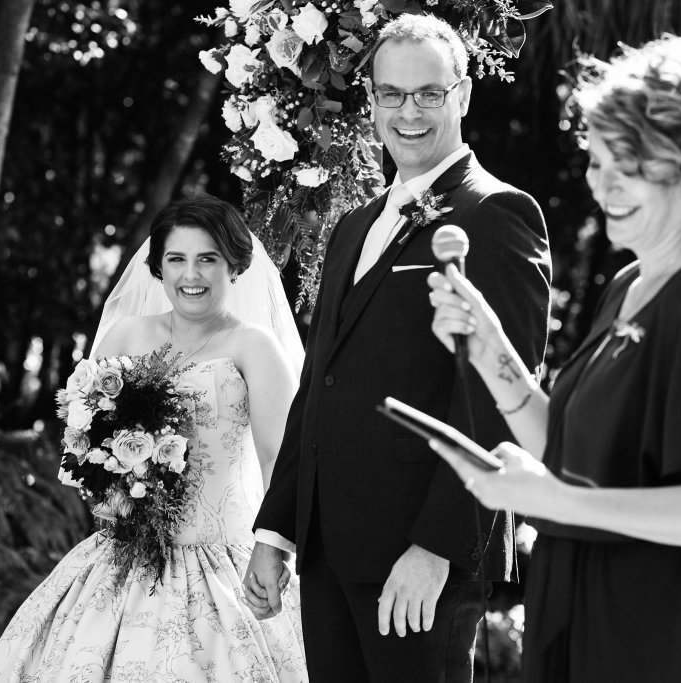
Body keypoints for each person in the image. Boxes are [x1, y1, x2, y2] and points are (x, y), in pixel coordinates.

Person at [427, 36, 681, 682]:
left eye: (630, 166)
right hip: (595, 626)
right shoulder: (630, 283)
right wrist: (488, 345)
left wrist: (552, 499)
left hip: (674, 640)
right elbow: (569, 442)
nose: (603, 184)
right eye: (597, 161)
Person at [245, 13, 552, 682]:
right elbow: (320, 384)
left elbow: (499, 395)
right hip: (329, 550)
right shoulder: (354, 227)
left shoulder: (496, 214)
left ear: (463, 96)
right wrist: (277, 530)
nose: (408, 112)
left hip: (420, 559)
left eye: (428, 94)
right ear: (373, 100)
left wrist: (437, 546)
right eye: (391, 94)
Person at [0, 195, 309, 682]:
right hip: (124, 553)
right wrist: (119, 482)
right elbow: (84, 445)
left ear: (234, 265)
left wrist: (275, 551)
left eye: (207, 259)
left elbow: (279, 459)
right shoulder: (124, 338)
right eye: (176, 259)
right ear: (157, 268)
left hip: (221, 561)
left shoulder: (254, 347)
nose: (190, 275)